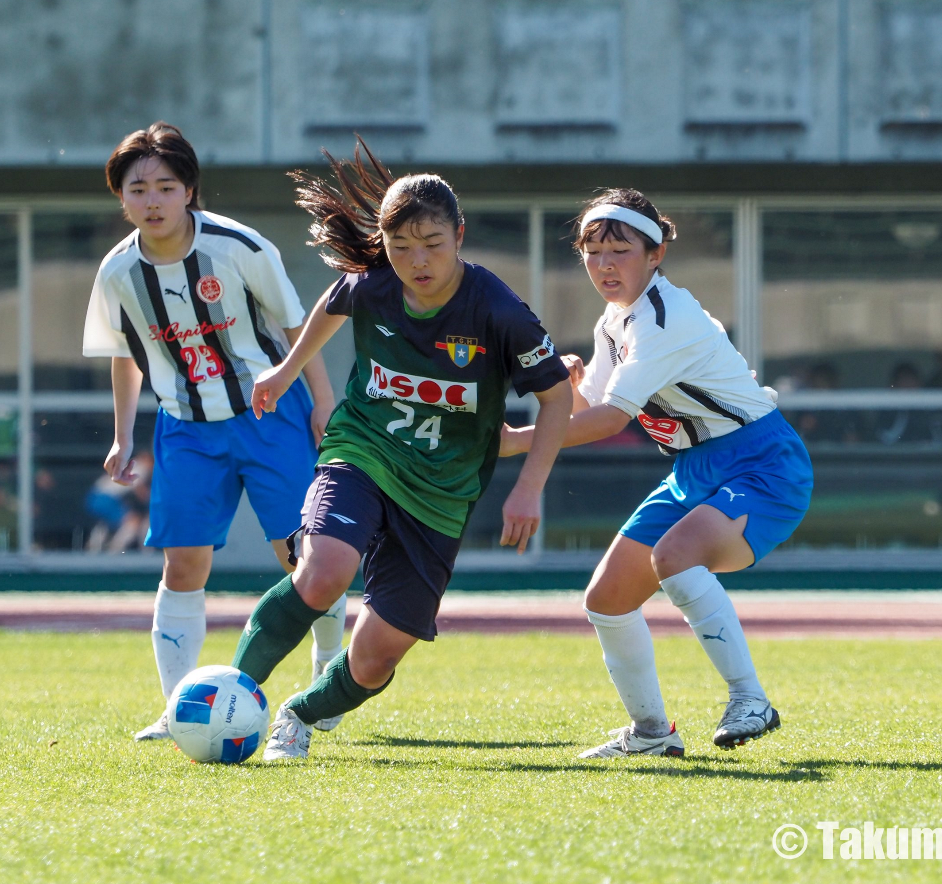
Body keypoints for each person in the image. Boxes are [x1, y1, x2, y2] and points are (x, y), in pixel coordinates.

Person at [236, 141, 572, 761]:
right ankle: (231, 695)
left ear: (459, 235)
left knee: (372, 660)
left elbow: (557, 398)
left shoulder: (499, 310)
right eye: (400, 247)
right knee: (323, 573)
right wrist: (286, 372)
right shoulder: (374, 285)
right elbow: (334, 300)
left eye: (432, 244)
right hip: (364, 448)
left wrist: (528, 487)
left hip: (443, 494)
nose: (416, 261)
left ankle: (298, 712)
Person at [502, 189, 813, 757]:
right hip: (694, 468)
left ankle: (750, 699)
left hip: (764, 462)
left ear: (656, 253)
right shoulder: (613, 322)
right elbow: (593, 406)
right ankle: (651, 735)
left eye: (619, 250)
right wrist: (570, 385)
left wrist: (519, 441)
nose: (603, 265)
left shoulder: (667, 317)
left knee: (672, 556)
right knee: (606, 600)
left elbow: (612, 420)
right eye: (592, 252)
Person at [82, 122, 343, 742]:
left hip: (267, 412)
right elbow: (125, 353)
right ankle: (179, 710)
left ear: (189, 190)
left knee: (307, 558)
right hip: (186, 427)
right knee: (183, 563)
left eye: (166, 187)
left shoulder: (238, 246)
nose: (152, 200)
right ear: (121, 197)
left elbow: (295, 328)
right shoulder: (118, 270)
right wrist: (122, 436)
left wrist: (322, 403)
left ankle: (325, 681)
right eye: (138, 188)